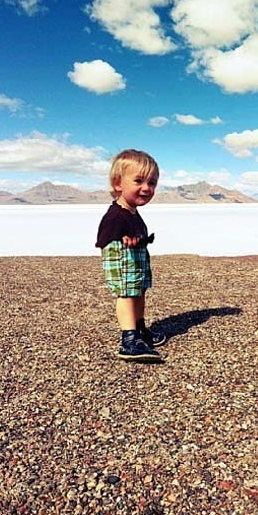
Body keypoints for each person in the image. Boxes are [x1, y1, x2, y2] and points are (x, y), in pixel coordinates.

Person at [96, 149, 166, 363]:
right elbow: (105, 237)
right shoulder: (116, 214)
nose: (146, 188)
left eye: (152, 183)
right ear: (118, 183)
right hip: (123, 261)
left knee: (139, 292)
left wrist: (138, 239)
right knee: (127, 294)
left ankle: (139, 329)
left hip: (136, 260)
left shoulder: (132, 212)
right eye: (138, 181)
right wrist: (122, 237)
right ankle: (128, 339)